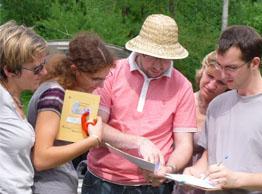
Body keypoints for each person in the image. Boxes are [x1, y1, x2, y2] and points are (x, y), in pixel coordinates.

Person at [82, 14, 197, 194]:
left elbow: (184, 144)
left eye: (166, 59)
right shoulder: (112, 72)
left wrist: (169, 169)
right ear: (141, 50)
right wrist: (138, 142)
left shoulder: (182, 86)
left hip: (152, 185)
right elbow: (95, 125)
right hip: (103, 179)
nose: (159, 65)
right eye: (153, 57)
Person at [27, 32, 115, 194]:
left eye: (104, 78)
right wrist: (92, 140)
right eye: (95, 79)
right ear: (76, 70)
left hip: (61, 182)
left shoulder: (69, 93)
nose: (101, 86)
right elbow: (41, 158)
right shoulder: (54, 95)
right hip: (47, 186)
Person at [184, 25, 262, 193]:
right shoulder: (217, 105)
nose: (224, 74)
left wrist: (239, 179)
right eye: (220, 66)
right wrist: (195, 172)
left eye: (231, 68)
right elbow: (209, 155)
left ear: (254, 63)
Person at [0, 21, 47, 194]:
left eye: (44, 64)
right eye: (37, 69)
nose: (44, 73)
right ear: (10, 70)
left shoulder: (12, 99)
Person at [173, 51, 228, 194]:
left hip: (203, 182)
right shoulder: (182, 100)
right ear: (202, 71)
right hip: (170, 175)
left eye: (220, 82)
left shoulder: (225, 114)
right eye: (209, 76)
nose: (211, 85)